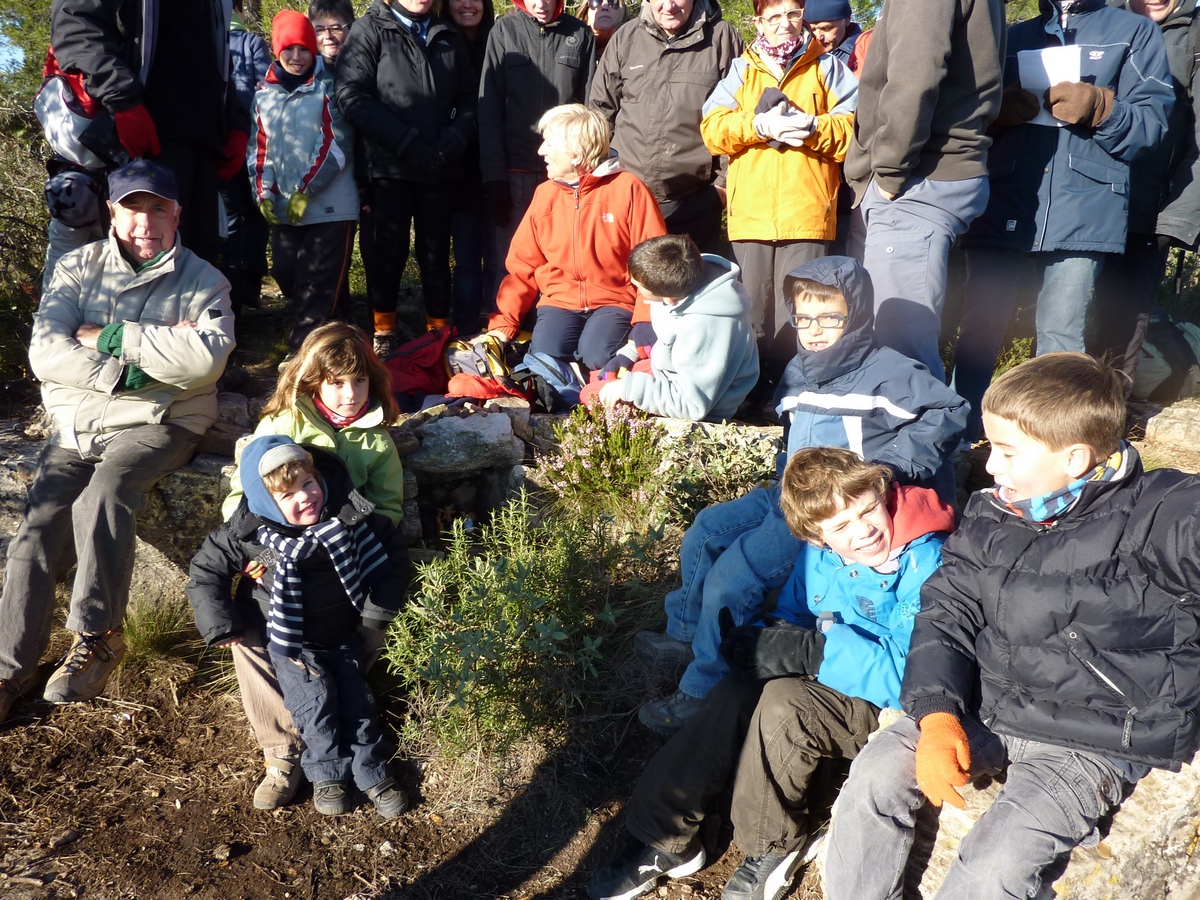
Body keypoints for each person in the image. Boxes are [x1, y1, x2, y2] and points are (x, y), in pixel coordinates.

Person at [824, 351, 1200, 899]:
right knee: (874, 777)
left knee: (993, 866)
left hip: (1090, 738)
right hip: (988, 706)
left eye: (1007, 451)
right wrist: (937, 713)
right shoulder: (993, 514)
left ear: (1074, 458)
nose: (991, 466)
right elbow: (947, 611)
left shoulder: (1163, 513)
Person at [586, 447, 955, 900]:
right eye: (841, 526)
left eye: (867, 510)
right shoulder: (818, 557)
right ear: (816, 536)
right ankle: (664, 835)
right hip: (832, 670)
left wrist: (813, 653)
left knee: (785, 706)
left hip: (889, 704)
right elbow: (796, 612)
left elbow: (919, 674)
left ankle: (773, 845)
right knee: (735, 689)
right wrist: (760, 640)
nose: (863, 531)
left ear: (882, 493)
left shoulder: (926, 560)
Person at [636, 256, 968, 734]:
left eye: (829, 317)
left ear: (856, 315)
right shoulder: (800, 369)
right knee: (707, 529)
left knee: (733, 577)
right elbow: (793, 432)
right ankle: (685, 634)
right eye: (804, 317)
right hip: (787, 492)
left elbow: (950, 410)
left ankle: (703, 687)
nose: (814, 329)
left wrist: (892, 468)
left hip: (827, 511)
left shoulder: (887, 372)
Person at [0, 159, 235, 724]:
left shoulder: (205, 280)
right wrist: (134, 365)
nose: (145, 221)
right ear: (111, 212)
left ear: (177, 213)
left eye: (158, 208)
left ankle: (98, 637)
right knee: (37, 527)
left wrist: (108, 337)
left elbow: (205, 361)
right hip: (80, 423)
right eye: (133, 208)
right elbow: (46, 352)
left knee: (105, 492)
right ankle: (10, 667)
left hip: (163, 420)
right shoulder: (76, 268)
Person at [950, 0, 1172, 441]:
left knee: (1061, 333)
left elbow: (1153, 125)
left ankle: (1051, 440)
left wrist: (1100, 107)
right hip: (1007, 198)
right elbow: (966, 116)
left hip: (1086, 206)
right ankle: (956, 434)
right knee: (979, 326)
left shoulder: (1134, 32)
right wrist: (997, 112)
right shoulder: (1014, 35)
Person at [218, 323, 404, 809]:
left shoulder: (376, 439)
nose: (350, 394)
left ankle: (339, 738)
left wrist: (356, 532)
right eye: (336, 382)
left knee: (357, 636)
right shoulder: (282, 425)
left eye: (359, 381)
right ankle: (282, 750)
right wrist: (261, 553)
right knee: (251, 635)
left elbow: (388, 506)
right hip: (280, 558)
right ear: (312, 381)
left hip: (343, 560)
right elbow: (239, 501)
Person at [187, 436, 410, 818]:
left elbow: (394, 556)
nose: (305, 497)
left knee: (357, 702)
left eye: (308, 483)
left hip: (342, 630)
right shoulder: (249, 533)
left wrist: (376, 613)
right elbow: (205, 572)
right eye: (287, 495)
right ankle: (323, 774)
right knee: (315, 704)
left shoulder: (349, 515)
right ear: (265, 502)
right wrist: (220, 625)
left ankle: (374, 774)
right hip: (288, 640)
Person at [700, 0, 857, 398]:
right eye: (773, 16)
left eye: (792, 14)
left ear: (803, 17)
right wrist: (756, 125)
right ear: (759, 23)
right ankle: (747, 395)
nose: (784, 24)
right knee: (751, 311)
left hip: (808, 212)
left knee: (801, 312)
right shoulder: (741, 69)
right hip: (750, 214)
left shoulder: (828, 67)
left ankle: (792, 395)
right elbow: (712, 128)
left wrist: (813, 127)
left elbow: (855, 129)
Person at [844, 0, 1005, 380]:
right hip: (930, 175)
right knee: (901, 342)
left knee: (898, 348)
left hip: (916, 179)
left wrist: (890, 171)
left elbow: (915, 74)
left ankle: (925, 422)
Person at [49, 0, 252, 268]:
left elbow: (214, 57)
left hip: (203, 145)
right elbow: (78, 27)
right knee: (139, 259)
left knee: (197, 259)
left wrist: (235, 124)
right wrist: (123, 101)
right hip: (139, 141)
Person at [336, 0, 478, 358]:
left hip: (440, 166)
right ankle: (384, 332)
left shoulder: (447, 35)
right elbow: (351, 96)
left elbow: (469, 98)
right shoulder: (369, 30)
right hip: (389, 166)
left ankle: (438, 333)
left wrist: (457, 136)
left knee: (435, 253)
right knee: (388, 252)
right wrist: (406, 141)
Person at [485, 104, 667, 373]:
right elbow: (522, 267)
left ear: (576, 156)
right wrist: (503, 325)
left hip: (615, 301)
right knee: (544, 362)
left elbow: (656, 264)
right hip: (559, 301)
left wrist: (645, 320)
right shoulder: (545, 195)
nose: (541, 151)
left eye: (549, 144)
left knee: (598, 357)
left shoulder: (629, 189)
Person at [1089, 0, 1200, 383]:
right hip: (1082, 204)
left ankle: (1109, 406)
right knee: (1063, 315)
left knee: (1122, 324)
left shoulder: (1195, 37)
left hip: (1147, 212)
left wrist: (1176, 219)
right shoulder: (1098, 23)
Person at [590, 0, 744, 254]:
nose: (668, 6)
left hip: (695, 201)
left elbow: (738, 114)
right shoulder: (626, 37)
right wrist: (601, 179)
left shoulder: (722, 39)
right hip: (627, 197)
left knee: (691, 279)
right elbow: (600, 113)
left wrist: (721, 187)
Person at [249, 11, 358, 352]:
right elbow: (259, 148)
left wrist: (306, 190)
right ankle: (340, 334)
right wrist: (263, 193)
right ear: (277, 50)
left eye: (304, 50)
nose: (297, 57)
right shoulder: (264, 94)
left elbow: (336, 144)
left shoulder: (329, 86)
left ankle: (302, 350)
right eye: (289, 49)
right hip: (285, 207)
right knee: (285, 272)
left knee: (319, 281)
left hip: (331, 207)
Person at [479, 0, 595, 311]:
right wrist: (494, 177)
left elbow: (590, 109)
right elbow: (488, 108)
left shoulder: (580, 34)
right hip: (514, 171)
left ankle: (549, 326)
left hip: (564, 174)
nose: (540, 4)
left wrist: (587, 169)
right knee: (509, 260)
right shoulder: (504, 31)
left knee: (560, 259)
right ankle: (503, 326)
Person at [587, 234, 759, 421]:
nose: (632, 284)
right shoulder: (682, 282)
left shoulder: (704, 326)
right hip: (667, 374)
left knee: (590, 396)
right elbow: (666, 337)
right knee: (598, 377)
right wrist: (629, 354)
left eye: (639, 286)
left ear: (669, 299)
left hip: (698, 404)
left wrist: (628, 387)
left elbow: (691, 405)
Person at [446, 0, 498, 333]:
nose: (467, 5)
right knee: (466, 261)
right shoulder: (440, 42)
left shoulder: (499, 40)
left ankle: (501, 331)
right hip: (456, 170)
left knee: (498, 259)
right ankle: (464, 331)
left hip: (498, 167)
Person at [219, 0, 271, 317]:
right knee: (254, 214)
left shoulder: (207, 42)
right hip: (252, 144)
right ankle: (250, 285)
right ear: (239, 11)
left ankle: (231, 291)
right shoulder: (252, 43)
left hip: (218, 143)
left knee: (231, 217)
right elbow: (266, 88)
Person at [802, 0, 863, 68]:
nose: (818, 37)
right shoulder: (799, 52)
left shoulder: (864, 53)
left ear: (847, 20)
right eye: (812, 30)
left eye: (826, 28)